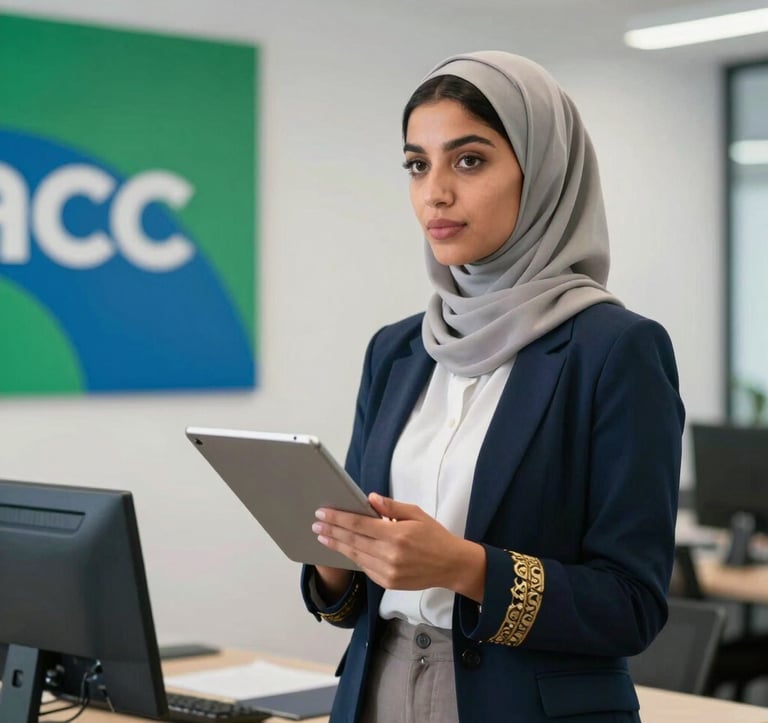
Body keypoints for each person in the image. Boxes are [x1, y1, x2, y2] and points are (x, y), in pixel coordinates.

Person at [301, 50, 684, 723]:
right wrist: (337, 555)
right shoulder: (396, 350)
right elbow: (353, 601)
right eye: (417, 165)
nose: (435, 192)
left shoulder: (615, 350)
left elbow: (631, 605)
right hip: (376, 687)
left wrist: (464, 566)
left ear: (542, 175)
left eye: (469, 160)